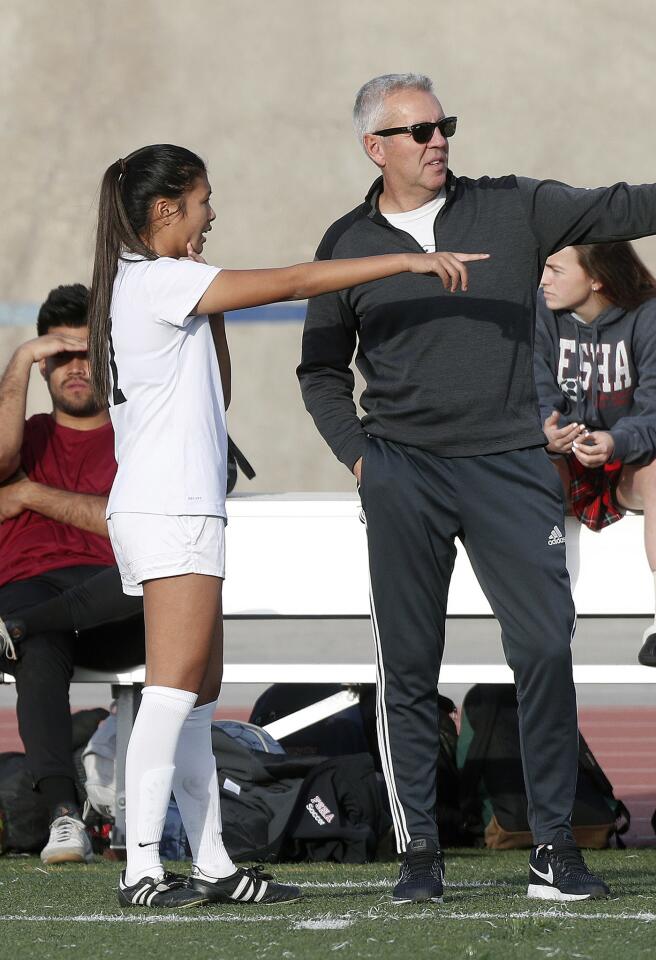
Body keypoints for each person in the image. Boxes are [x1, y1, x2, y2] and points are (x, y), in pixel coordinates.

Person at [296, 70, 656, 904]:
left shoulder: (517, 206)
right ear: (376, 147)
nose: (440, 140)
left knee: (545, 649)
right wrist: (364, 460)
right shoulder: (345, 243)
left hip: (512, 466)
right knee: (409, 665)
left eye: (446, 126)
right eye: (419, 131)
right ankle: (420, 857)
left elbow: (629, 206)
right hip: (404, 471)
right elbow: (321, 371)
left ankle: (554, 845)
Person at [88, 142, 485, 909]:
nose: (213, 216)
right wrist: (403, 264)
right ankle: (140, 870)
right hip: (168, 509)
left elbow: (221, 388)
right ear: (165, 208)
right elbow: (300, 280)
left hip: (182, 505)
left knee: (199, 696)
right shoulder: (157, 279)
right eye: (203, 202)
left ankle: (212, 864)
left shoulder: (161, 285)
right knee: (170, 693)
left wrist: (218, 304)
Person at [0, 283, 145, 865]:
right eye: (58, 355)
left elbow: (132, 529)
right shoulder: (25, 437)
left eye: (87, 352)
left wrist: (31, 493)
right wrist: (18, 359)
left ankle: (18, 625)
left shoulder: (138, 435)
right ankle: (64, 817)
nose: (74, 368)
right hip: (33, 595)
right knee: (37, 645)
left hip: (116, 603)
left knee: (139, 581)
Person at [535, 241, 656, 669]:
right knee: (523, 468)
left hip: (628, 455)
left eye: (556, 270)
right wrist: (546, 428)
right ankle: (540, 622)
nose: (544, 279)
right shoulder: (538, 309)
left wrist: (618, 441)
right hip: (564, 457)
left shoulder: (649, 314)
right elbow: (530, 388)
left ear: (597, 277)